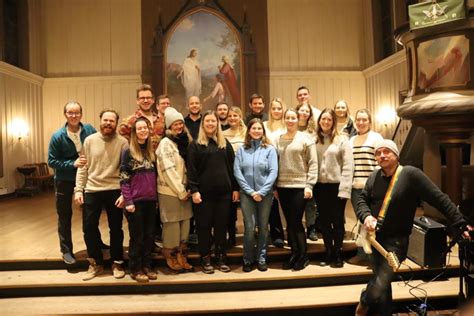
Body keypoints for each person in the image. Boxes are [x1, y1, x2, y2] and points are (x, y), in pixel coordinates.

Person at [355, 139, 472, 316]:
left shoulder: (410, 174)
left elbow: (438, 198)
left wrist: (460, 223)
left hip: (396, 241)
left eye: (387, 151)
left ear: (396, 155)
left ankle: (364, 301)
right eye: (378, 153)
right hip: (375, 238)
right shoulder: (374, 176)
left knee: (380, 282)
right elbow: (362, 200)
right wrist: (366, 216)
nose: (382, 155)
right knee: (382, 284)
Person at [74, 110, 128, 281]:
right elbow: (83, 166)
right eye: (105, 120)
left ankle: (117, 262)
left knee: (116, 229)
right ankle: (95, 262)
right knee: (88, 227)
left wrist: (125, 193)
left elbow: (127, 171)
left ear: (116, 123)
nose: (108, 123)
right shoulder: (89, 141)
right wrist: (78, 189)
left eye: (112, 121)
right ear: (100, 121)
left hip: (115, 190)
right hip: (92, 189)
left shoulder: (123, 142)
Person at [187, 111, 239, 274]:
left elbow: (233, 167)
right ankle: (205, 257)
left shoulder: (225, 144)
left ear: (217, 124)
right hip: (203, 195)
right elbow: (192, 170)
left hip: (224, 194)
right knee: (203, 227)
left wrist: (235, 188)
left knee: (221, 227)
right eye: (207, 121)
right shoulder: (195, 145)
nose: (210, 124)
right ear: (203, 124)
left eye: (213, 121)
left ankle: (221, 257)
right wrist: (194, 190)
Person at [48, 100, 99, 265]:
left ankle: (96, 244)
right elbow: (51, 161)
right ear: (65, 114)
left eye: (77, 112)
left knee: (90, 214)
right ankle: (66, 250)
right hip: (65, 180)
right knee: (64, 216)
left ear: (81, 114)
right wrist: (72, 164)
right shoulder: (57, 136)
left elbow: (98, 146)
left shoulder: (90, 130)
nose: (74, 115)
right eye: (70, 112)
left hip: (86, 179)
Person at [276, 108, 318, 271]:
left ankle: (303, 255)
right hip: (283, 186)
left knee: (296, 222)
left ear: (298, 119)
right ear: (284, 120)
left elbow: (313, 163)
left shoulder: (306, 138)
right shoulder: (278, 139)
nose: (290, 120)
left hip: (300, 186)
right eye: (288, 118)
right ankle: (294, 253)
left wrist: (309, 185)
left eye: (293, 118)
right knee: (290, 223)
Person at [234, 119, 278, 272]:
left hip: (265, 195)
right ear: (249, 131)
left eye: (260, 128)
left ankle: (261, 258)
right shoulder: (241, 150)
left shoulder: (270, 150)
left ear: (263, 131)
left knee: (263, 227)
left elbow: (273, 172)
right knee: (250, 228)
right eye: (254, 128)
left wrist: (262, 191)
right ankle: (248, 259)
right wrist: (251, 192)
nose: (257, 131)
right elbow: (237, 172)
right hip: (247, 195)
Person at [314, 108, 353, 268]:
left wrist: (345, 188)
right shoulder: (313, 140)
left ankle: (338, 253)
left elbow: (348, 165)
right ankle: (328, 251)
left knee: (337, 221)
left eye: (329, 119)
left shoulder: (342, 139)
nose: (326, 122)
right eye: (323, 119)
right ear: (319, 121)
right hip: (320, 187)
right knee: (324, 222)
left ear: (333, 122)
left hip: (337, 186)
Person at [156, 107, 194, 274]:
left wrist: (188, 188)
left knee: (185, 224)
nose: (179, 127)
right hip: (171, 192)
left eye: (180, 123)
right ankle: (170, 254)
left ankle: (181, 254)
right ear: (169, 126)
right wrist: (180, 190)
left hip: (185, 192)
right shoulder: (165, 143)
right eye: (175, 124)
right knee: (171, 225)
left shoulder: (185, 141)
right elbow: (168, 170)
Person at [120, 118, 157, 282]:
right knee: (137, 237)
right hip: (135, 202)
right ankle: (135, 268)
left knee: (149, 235)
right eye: (139, 128)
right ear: (135, 132)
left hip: (150, 201)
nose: (143, 131)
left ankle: (147, 265)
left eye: (145, 128)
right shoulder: (128, 151)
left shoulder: (151, 151)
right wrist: (128, 201)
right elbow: (123, 179)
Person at [347, 109, 383, 266]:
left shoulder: (376, 138)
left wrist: (374, 182)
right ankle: (362, 254)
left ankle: (377, 255)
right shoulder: (351, 140)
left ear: (369, 121)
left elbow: (380, 161)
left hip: (373, 186)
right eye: (358, 120)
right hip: (356, 188)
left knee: (374, 221)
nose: (361, 122)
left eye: (364, 119)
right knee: (362, 221)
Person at [263, 98, 286, 248]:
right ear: (270, 110)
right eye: (274, 108)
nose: (276, 111)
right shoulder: (264, 125)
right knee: (269, 203)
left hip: (283, 166)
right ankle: (269, 234)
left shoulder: (287, 126)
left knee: (282, 203)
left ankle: (281, 233)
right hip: (265, 168)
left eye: (279, 108)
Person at [222, 106, 247, 247]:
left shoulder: (247, 133)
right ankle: (231, 236)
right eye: (230, 116)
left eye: (235, 116)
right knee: (230, 208)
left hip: (245, 174)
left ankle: (251, 235)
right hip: (230, 174)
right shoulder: (223, 134)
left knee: (248, 207)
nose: (232, 118)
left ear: (240, 117)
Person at [296, 102, 319, 241]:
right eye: (302, 110)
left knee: (311, 203)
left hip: (309, 168)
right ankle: (297, 229)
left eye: (307, 111)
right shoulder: (291, 126)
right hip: (296, 170)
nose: (304, 113)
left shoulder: (313, 130)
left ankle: (311, 228)